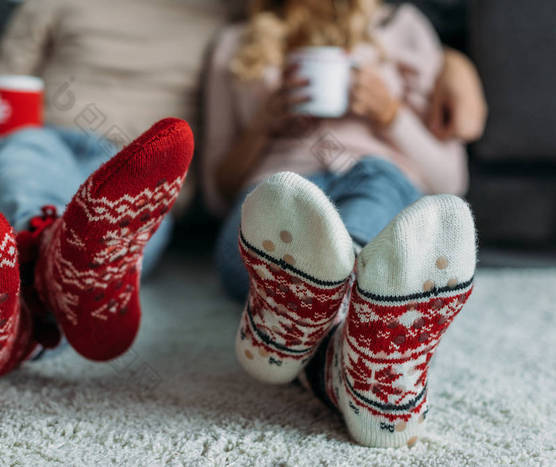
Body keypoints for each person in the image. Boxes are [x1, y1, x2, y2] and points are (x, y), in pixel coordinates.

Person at [0, 0, 208, 406]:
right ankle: (55, 248)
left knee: (132, 213)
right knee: (40, 170)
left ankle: (13, 330)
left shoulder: (228, 14)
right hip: (39, 134)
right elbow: (1, 84)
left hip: (134, 159)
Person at [202, 0, 483, 447]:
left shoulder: (405, 28)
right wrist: (263, 127)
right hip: (278, 191)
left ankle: (313, 294)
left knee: (379, 183)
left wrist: (390, 114)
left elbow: (451, 180)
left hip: (376, 176)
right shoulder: (235, 43)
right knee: (275, 206)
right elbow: (217, 190)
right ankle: (354, 339)